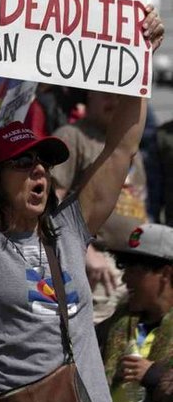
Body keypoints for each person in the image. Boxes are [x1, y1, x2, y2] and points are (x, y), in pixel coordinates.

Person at [0, 0, 164, 402]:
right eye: (23, 164)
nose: (39, 170)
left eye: (43, 163)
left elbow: (121, 149)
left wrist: (139, 58)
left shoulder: (67, 230)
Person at [51, 89, 150, 323]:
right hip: (97, 270)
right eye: (106, 94)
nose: (114, 101)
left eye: (119, 95)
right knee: (92, 346)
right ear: (89, 96)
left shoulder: (131, 147)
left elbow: (140, 203)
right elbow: (51, 203)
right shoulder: (73, 136)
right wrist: (87, 253)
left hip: (132, 269)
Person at [98, 223, 173, 402]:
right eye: (125, 267)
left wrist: (153, 375)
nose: (125, 277)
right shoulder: (114, 325)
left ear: (166, 274)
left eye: (135, 269)